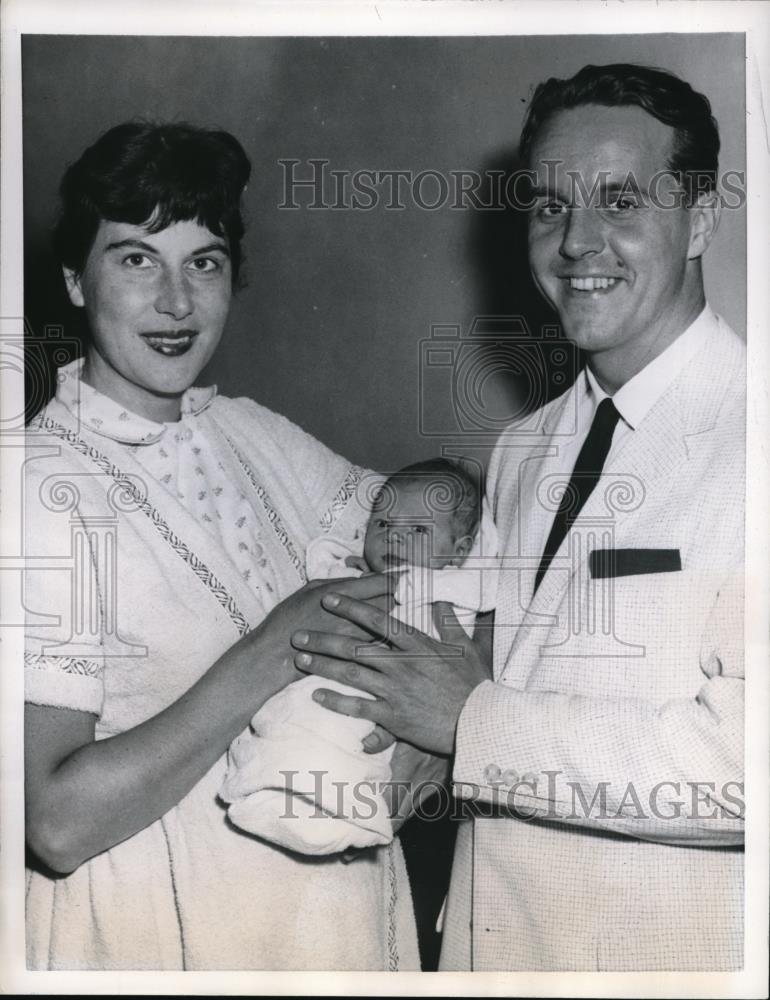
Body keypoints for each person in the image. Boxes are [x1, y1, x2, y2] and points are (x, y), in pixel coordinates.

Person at [293, 63, 745, 971]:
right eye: (549, 206)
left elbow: (745, 773)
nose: (579, 241)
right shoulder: (527, 446)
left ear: (700, 217)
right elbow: (499, 662)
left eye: (621, 200)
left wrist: (472, 725)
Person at [23, 120, 424, 971]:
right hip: (167, 943)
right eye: (136, 258)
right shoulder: (37, 485)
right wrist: (271, 651)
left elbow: (434, 553)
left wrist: (431, 741)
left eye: (203, 261)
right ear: (72, 279)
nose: (177, 302)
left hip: (339, 934)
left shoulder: (248, 430)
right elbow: (52, 822)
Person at [220, 458, 497, 856]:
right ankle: (262, 785)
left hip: (386, 706)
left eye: (417, 529)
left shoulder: (454, 587)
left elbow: (494, 574)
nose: (394, 539)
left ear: (459, 549)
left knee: (351, 750)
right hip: (318, 686)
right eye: (383, 525)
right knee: (288, 720)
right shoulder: (352, 574)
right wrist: (352, 573)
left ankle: (334, 817)